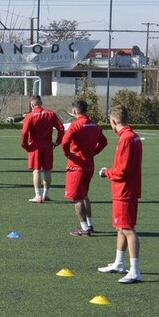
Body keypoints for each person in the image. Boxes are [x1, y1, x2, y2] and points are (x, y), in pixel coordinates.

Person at [97, 105, 143, 284]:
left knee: (127, 229)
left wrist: (106, 172)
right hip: (125, 189)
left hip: (124, 190)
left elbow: (121, 170)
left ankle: (135, 270)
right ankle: (119, 262)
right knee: (120, 228)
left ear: (114, 121)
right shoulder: (133, 137)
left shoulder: (126, 139)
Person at [60, 100, 108, 237]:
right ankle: (90, 224)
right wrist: (93, 152)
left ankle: (84, 228)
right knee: (84, 195)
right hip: (89, 165)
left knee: (77, 198)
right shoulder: (94, 125)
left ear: (74, 111)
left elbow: (64, 142)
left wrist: (68, 154)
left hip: (76, 166)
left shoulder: (76, 126)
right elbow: (104, 142)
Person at [20, 95, 64, 203]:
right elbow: (61, 128)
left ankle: (38, 196)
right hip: (48, 145)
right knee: (47, 171)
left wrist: (25, 145)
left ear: (32, 105)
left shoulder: (30, 116)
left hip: (35, 145)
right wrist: (58, 141)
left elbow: (25, 132)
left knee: (36, 171)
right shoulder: (50, 113)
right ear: (41, 103)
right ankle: (45, 195)